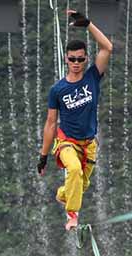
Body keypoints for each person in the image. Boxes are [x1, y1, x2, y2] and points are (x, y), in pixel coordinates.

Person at [37, 10, 113, 231]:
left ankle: (63, 195)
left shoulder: (92, 77)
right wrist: (43, 156)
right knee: (74, 171)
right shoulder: (58, 89)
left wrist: (88, 23)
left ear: (86, 59)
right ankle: (72, 216)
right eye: (72, 59)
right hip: (67, 142)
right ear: (66, 59)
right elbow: (51, 123)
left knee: (81, 184)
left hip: (89, 144)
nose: (76, 63)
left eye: (80, 59)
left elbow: (108, 48)